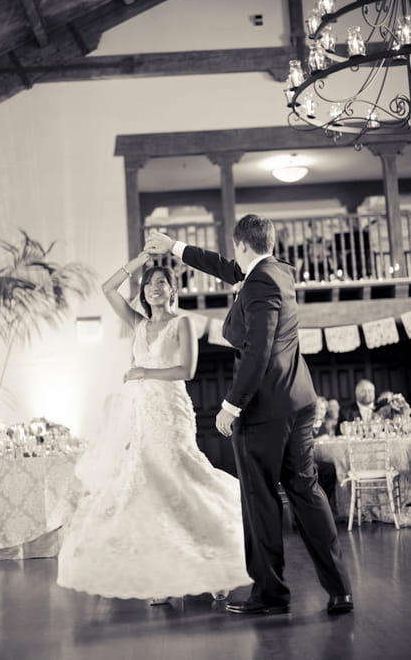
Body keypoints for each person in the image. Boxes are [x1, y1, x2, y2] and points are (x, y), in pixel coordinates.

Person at [145, 214, 353, 616]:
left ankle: (271, 596)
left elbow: (257, 351)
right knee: (306, 492)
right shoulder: (280, 272)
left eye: (234, 252)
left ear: (240, 245)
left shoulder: (257, 283)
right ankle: (340, 589)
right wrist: (174, 247)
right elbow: (226, 269)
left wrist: (229, 406)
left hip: (263, 408)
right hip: (299, 399)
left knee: (259, 500)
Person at [57, 251, 251, 602]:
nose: (155, 288)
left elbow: (187, 371)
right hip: (143, 413)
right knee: (148, 490)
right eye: (149, 284)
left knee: (180, 479)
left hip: (172, 412)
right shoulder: (138, 324)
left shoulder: (183, 324)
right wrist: (141, 259)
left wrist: (144, 372)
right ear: (143, 292)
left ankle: (215, 566)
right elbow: (108, 287)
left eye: (162, 282)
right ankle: (162, 578)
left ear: (173, 290)